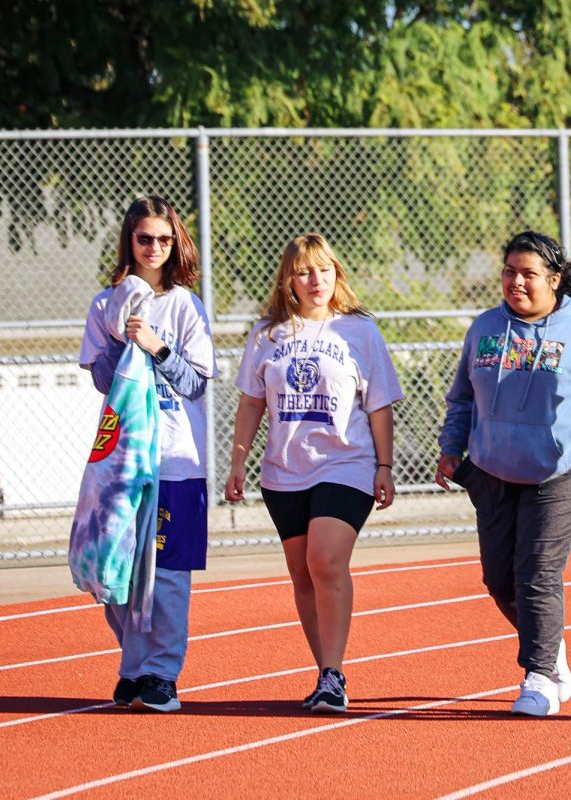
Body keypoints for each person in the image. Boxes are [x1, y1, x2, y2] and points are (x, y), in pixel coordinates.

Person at [435, 231, 571, 717]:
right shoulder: (485, 328)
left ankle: (538, 678)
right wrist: (452, 447)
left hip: (561, 471)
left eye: (529, 273)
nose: (516, 281)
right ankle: (549, 646)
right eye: (509, 271)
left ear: (554, 280)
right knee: (499, 580)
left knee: (537, 572)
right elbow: (462, 398)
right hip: (492, 470)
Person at [225, 233, 403, 714]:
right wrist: (238, 461)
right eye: (304, 271)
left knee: (325, 560)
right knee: (302, 572)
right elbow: (251, 404)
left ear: (336, 273)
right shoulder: (267, 335)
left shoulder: (359, 331)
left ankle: (334, 671)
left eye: (323, 269)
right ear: (289, 280)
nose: (315, 279)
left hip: (347, 463)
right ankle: (326, 672)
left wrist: (385, 466)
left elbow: (380, 404)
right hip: (284, 471)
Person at [79, 195, 217, 713]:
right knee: (114, 571)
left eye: (163, 239)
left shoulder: (185, 305)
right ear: (129, 241)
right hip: (120, 460)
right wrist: (122, 337)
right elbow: (101, 379)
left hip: (175, 460)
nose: (154, 247)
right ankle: (133, 666)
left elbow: (196, 384)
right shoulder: (105, 303)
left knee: (168, 575)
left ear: (174, 241)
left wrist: (157, 345)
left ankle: (162, 673)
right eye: (144, 238)